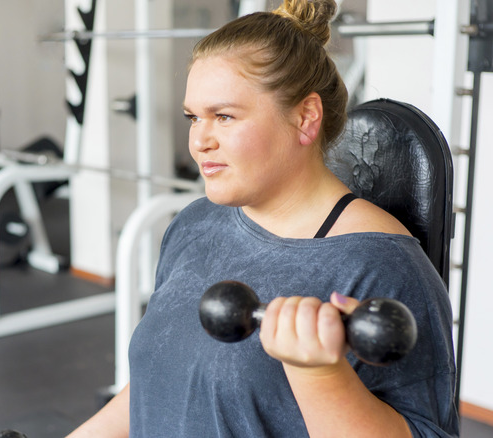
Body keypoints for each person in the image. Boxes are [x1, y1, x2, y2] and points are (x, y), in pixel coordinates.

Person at [67, 0, 459, 436]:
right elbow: (158, 384)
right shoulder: (195, 223)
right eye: (194, 117)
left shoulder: (382, 266)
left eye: (224, 116)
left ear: (305, 117)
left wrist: (319, 375)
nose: (199, 140)